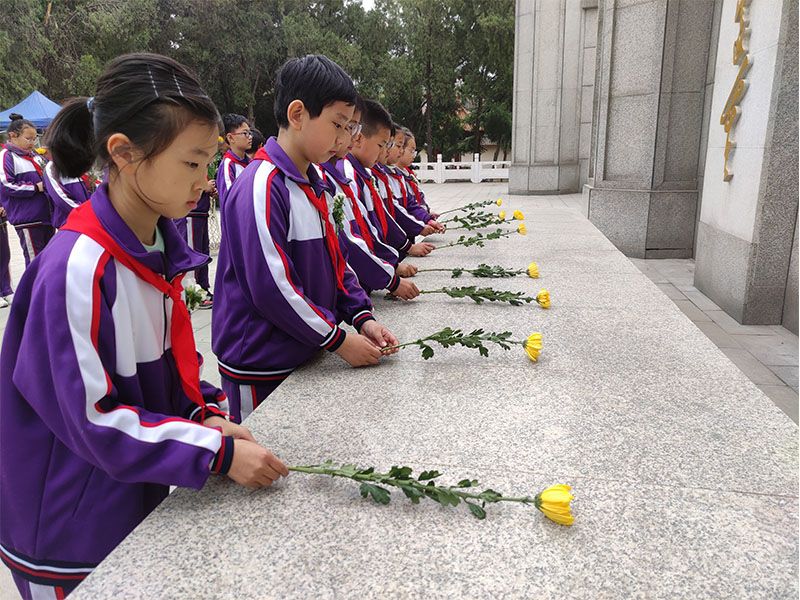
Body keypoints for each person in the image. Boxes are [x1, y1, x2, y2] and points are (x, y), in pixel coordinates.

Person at [0, 53, 288, 600]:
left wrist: (205, 413)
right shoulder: (78, 269)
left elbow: (170, 367)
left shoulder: (155, 249)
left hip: (130, 500)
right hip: (70, 534)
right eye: (192, 163)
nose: (205, 183)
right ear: (124, 153)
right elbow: (93, 418)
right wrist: (215, 453)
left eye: (208, 164)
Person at [212, 55, 398, 423]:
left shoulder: (315, 184)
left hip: (302, 348)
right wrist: (338, 340)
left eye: (349, 128)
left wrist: (362, 318)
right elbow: (272, 287)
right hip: (261, 362)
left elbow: (336, 261)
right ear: (297, 115)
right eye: (338, 125)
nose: (344, 139)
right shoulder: (263, 185)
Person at [318, 101, 419, 299]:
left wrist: (393, 264)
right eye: (345, 127)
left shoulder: (353, 174)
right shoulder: (340, 173)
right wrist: (391, 277)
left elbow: (370, 227)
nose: (351, 137)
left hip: (363, 282)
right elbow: (349, 242)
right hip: (354, 286)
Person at [338, 100, 433, 260]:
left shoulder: (371, 175)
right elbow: (357, 235)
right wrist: (391, 272)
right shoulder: (348, 174)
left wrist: (424, 220)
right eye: (382, 145)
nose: (386, 152)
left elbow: (382, 216)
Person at [0, 115, 55, 266]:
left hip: (46, 216)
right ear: (12, 136)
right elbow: (6, 185)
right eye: (28, 139)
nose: (32, 142)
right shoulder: (6, 156)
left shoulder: (36, 156)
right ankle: (31, 290)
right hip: (28, 219)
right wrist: (35, 187)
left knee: (49, 259)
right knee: (35, 262)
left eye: (34, 138)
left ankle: (46, 289)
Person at [42, 157, 91, 228]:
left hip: (88, 219)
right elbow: (60, 197)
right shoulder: (53, 167)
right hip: (69, 222)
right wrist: (83, 212)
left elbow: (92, 189)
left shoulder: (80, 165)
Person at [215, 113, 251, 207]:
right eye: (245, 133)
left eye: (250, 133)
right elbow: (230, 201)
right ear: (230, 138)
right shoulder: (228, 165)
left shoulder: (251, 163)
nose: (250, 137)